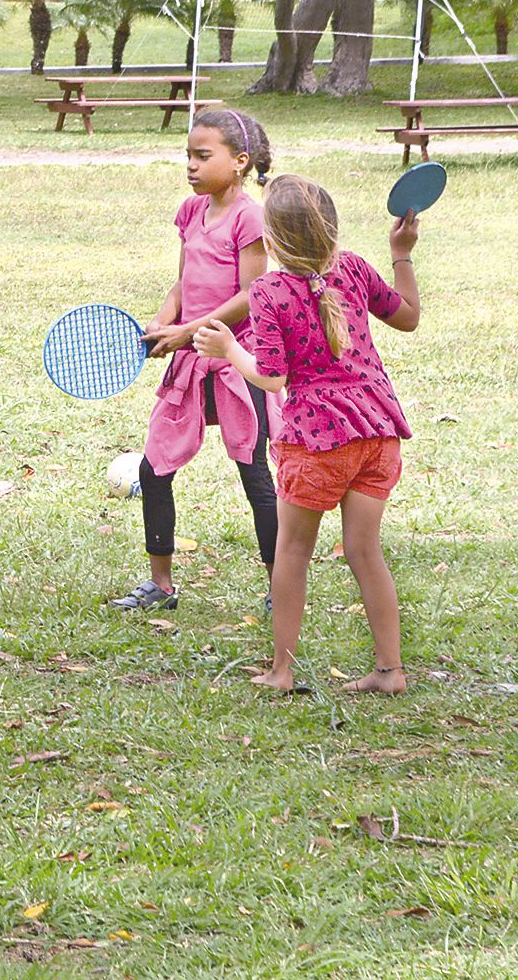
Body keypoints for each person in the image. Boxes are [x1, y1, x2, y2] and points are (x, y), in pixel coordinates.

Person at [194, 174, 421, 695]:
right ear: (332, 231)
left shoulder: (270, 291)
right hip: (378, 430)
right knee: (366, 551)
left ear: (271, 240)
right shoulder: (357, 270)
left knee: (293, 552)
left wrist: (229, 348)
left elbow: (271, 376)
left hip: (317, 441)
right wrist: (401, 252)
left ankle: (282, 670)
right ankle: (391, 671)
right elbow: (407, 318)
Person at [110, 109, 279, 614]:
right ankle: (160, 585)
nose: (191, 165)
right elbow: (183, 283)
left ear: (240, 161)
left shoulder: (250, 217)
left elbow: (253, 293)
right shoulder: (190, 211)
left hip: (236, 360)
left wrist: (189, 332)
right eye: (188, 155)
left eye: (203, 156)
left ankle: (280, 587)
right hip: (190, 360)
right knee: (154, 467)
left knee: (255, 474)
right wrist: (163, 322)